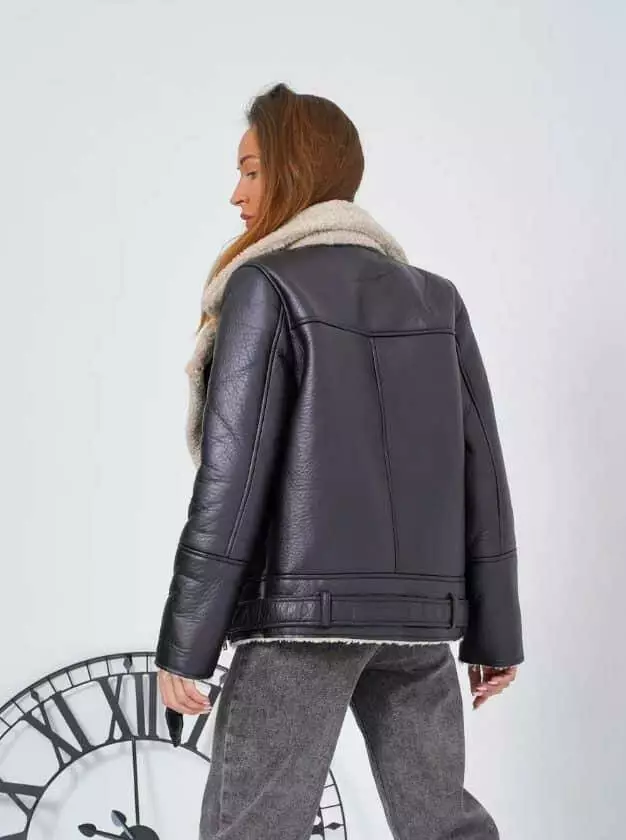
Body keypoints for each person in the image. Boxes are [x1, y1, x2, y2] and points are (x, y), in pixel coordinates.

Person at [154, 82, 524, 840]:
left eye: (252, 171)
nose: (237, 194)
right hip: (417, 627)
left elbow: (232, 480)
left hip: (301, 626)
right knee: (444, 825)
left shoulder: (264, 286)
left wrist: (186, 644)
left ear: (297, 170)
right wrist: (496, 631)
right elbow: (482, 471)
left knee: (251, 828)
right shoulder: (437, 300)